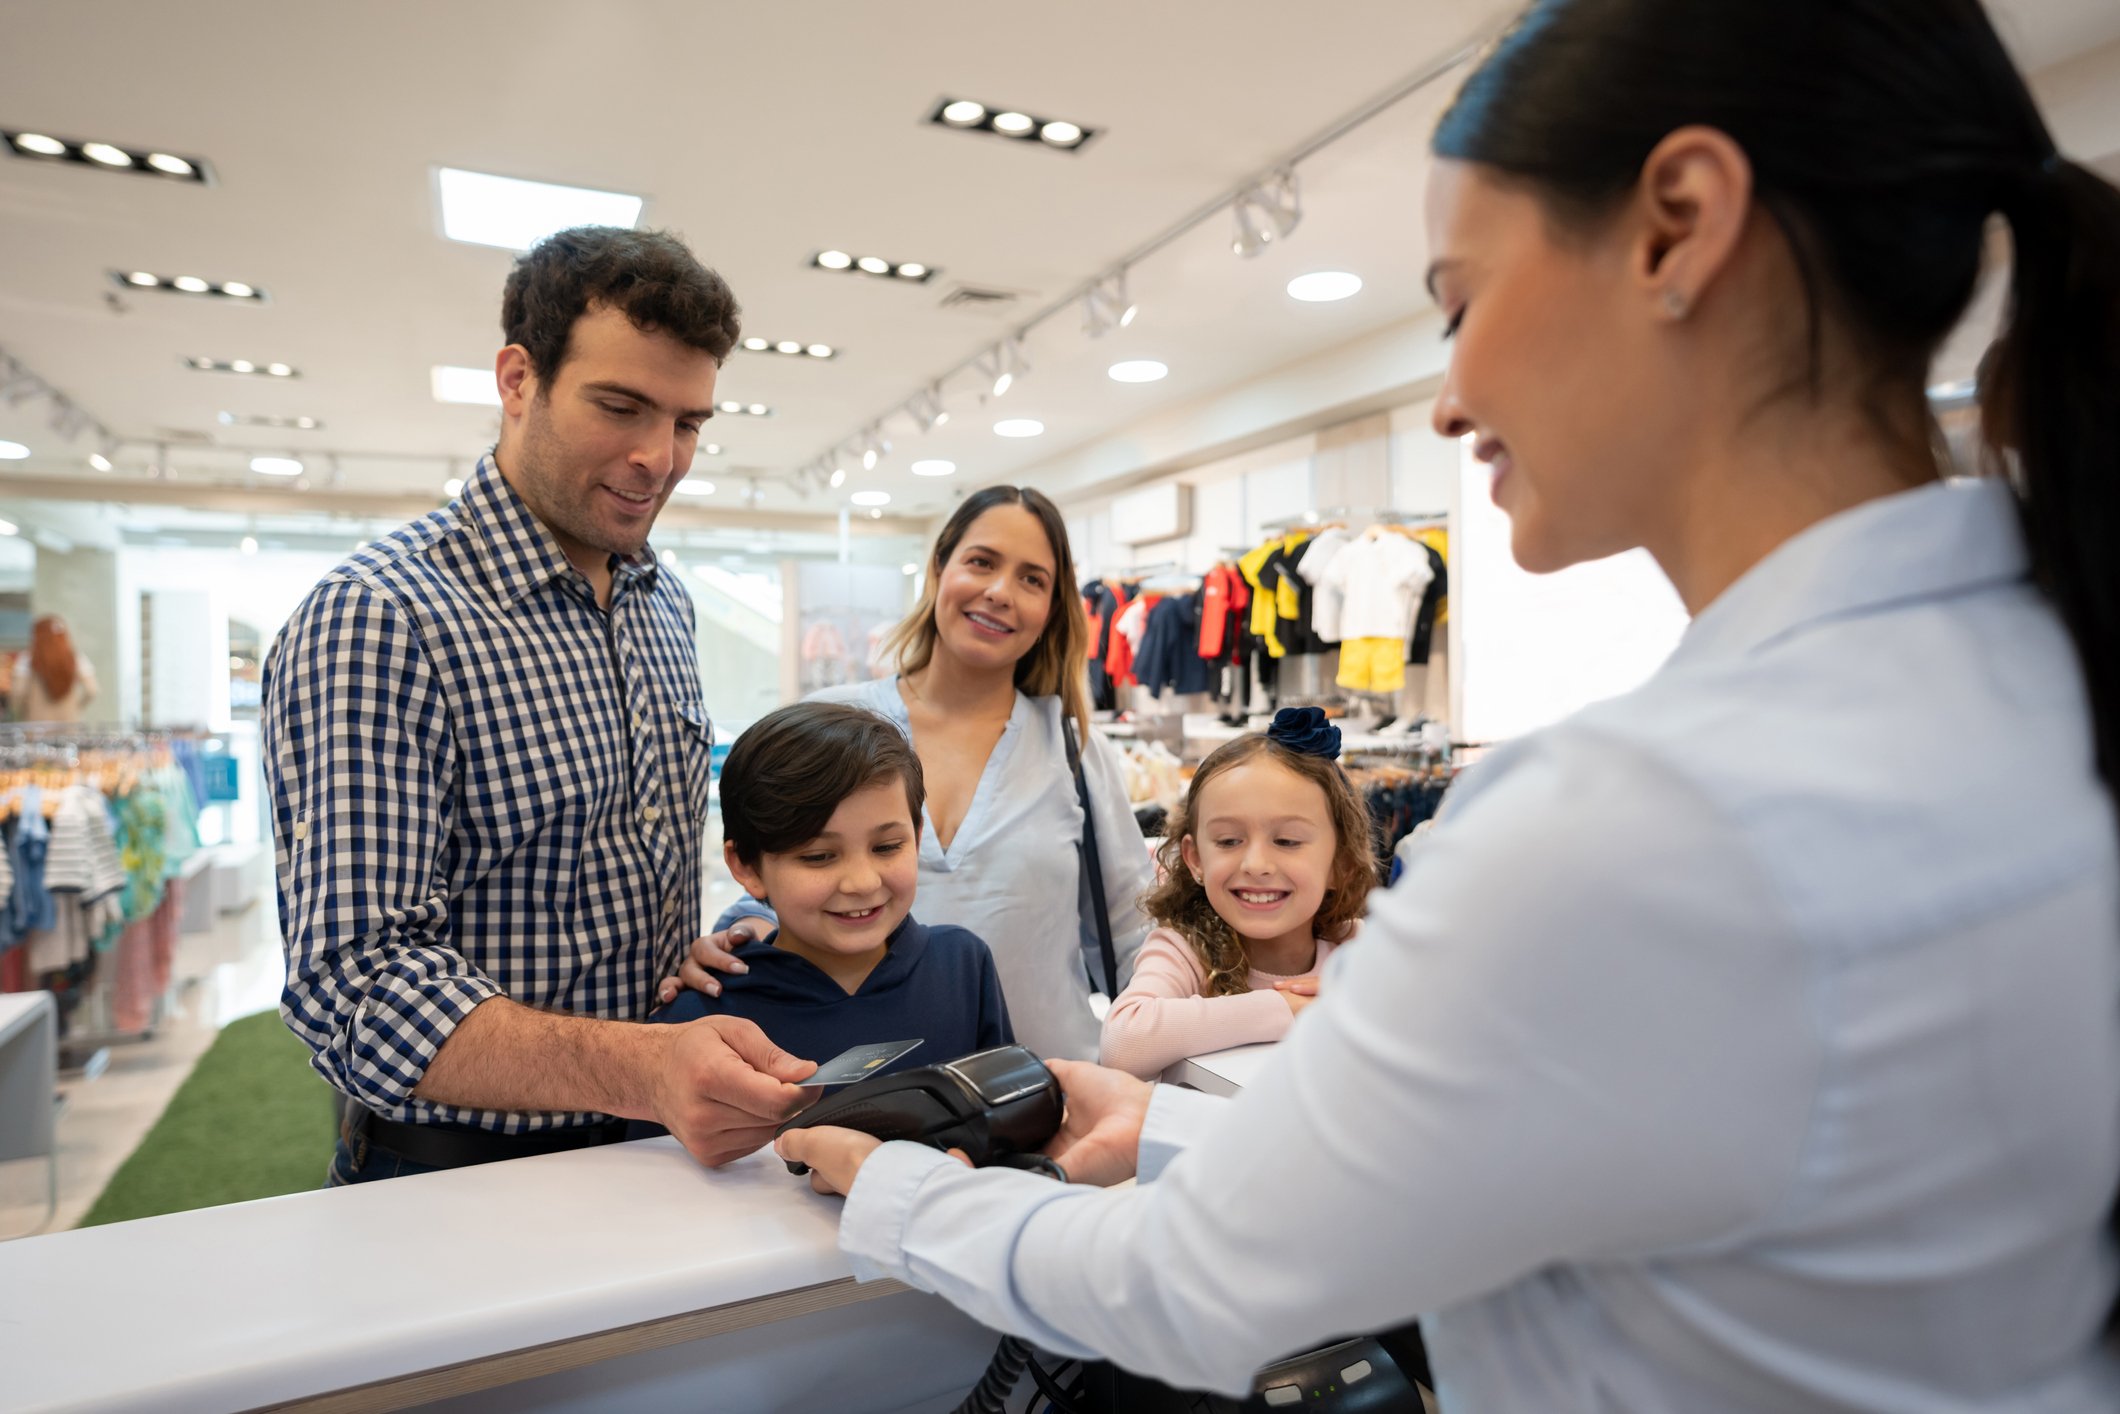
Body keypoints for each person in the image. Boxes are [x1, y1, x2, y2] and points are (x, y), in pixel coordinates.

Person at [775, 1, 2120, 1408]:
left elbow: (1199, 1287)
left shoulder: (1640, 813)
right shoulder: (2042, 688)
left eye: (1460, 304)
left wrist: (898, 1187)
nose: (1446, 396)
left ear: (1677, 226)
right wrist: (1179, 1139)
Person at [263, 225, 816, 1185]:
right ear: (519, 379)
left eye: (688, 422)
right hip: (457, 1180)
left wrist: (686, 953)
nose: (658, 457)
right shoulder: (381, 618)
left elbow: (603, 866)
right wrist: (639, 1065)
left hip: (656, 1150)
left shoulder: (661, 602)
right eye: (622, 406)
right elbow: (357, 990)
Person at [673, 485, 1154, 1063]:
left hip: (1049, 1090)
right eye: (982, 562)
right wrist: (737, 932)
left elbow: (1131, 930)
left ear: (1052, 608)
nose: (1000, 592)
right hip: (865, 1091)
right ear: (938, 568)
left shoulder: (1072, 748)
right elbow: (779, 856)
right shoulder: (844, 718)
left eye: (1032, 579)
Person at [629, 702, 1011, 1142]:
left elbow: (1003, 1128)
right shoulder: (695, 1025)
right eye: (818, 857)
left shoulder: (963, 967)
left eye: (886, 847)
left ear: (917, 835)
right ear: (746, 866)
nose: (862, 882)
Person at [1098, 708, 1374, 1080]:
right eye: (1229, 841)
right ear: (1195, 859)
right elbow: (1122, 1043)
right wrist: (1286, 1007)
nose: (1256, 864)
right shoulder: (1183, 953)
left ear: (1340, 863)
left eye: (1287, 841)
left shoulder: (1362, 949)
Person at [11, 615, 97, 724]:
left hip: (37, 727)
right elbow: (92, 690)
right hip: (69, 726)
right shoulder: (76, 658)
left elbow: (18, 692)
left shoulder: (27, 658)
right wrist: (77, 708)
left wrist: (21, 711)